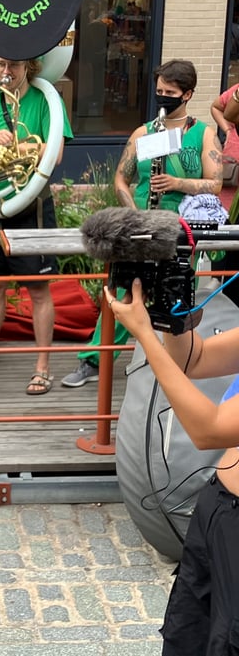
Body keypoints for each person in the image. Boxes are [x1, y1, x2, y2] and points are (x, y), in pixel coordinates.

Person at [64, 59, 222, 387]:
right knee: (126, 291)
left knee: (172, 296)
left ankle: (164, 363)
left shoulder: (203, 135)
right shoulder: (144, 133)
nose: (163, 97)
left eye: (171, 92)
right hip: (142, 225)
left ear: (187, 94)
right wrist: (132, 210)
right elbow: (122, 179)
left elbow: (216, 183)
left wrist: (178, 184)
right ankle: (93, 359)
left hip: (182, 229)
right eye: (159, 91)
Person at [108, 277, 239, 654]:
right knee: (189, 634)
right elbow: (192, 360)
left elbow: (208, 430)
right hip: (217, 508)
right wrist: (172, 314)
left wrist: (145, 334)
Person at [0, 52, 72, 395]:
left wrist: (18, 147)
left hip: (32, 205)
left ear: (29, 67)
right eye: (1, 65)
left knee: (37, 288)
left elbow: (57, 152)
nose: (6, 72)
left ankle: (42, 367)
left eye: (14, 65)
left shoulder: (46, 102)